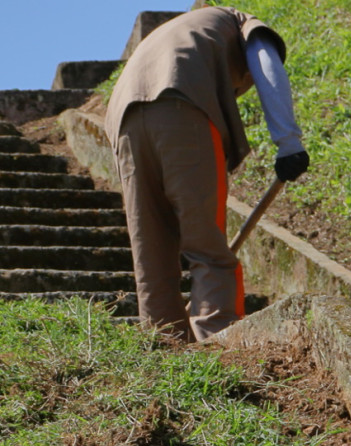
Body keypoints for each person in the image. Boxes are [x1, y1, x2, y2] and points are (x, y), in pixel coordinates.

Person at [105, 6, 309, 342]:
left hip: (123, 123)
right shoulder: (239, 22)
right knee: (207, 247)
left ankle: (165, 353)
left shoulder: (186, 31)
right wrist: (289, 142)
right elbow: (266, 61)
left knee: (152, 257)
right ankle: (219, 344)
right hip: (183, 104)